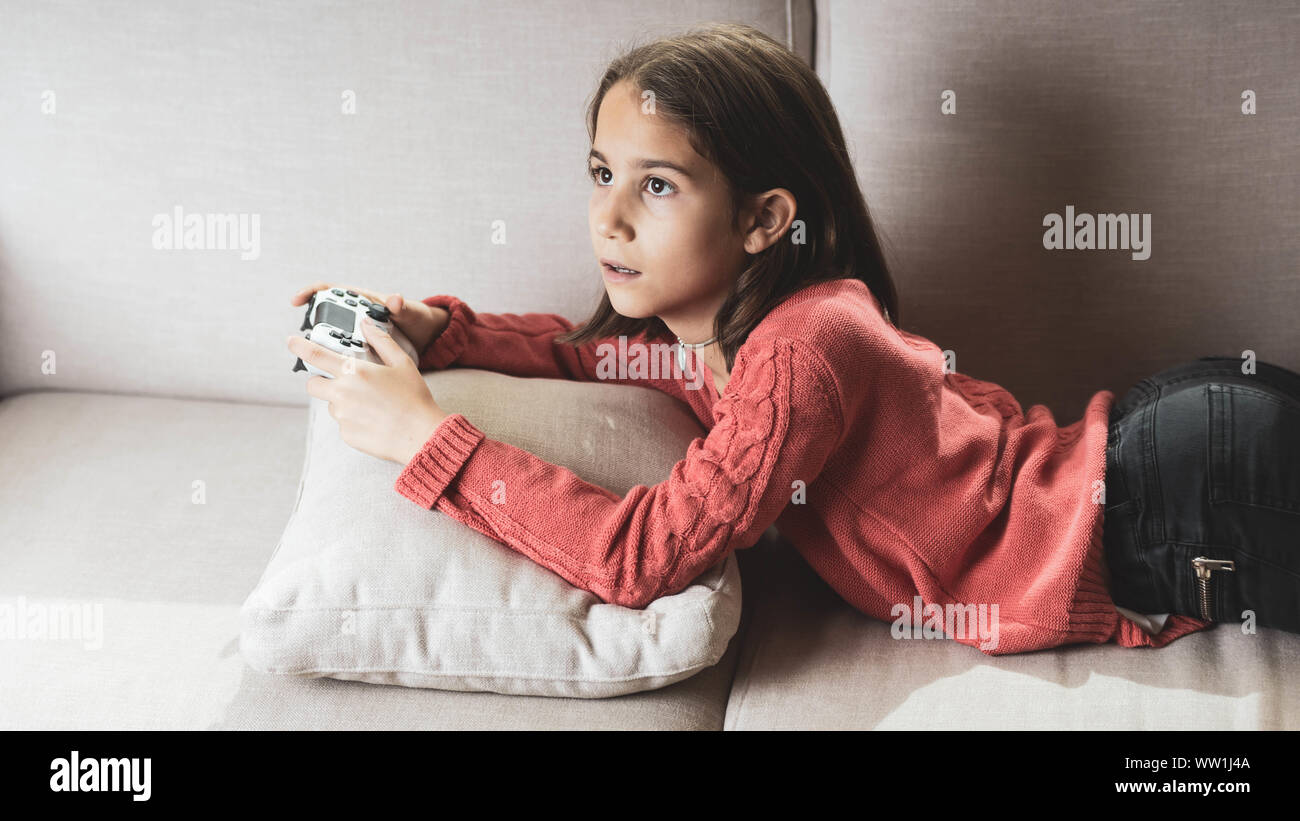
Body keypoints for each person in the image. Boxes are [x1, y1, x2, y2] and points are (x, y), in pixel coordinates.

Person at [286, 23, 1300, 655]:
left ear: (766, 219)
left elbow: (644, 553)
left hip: (1174, 498)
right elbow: (575, 351)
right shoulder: (704, 336)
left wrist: (427, 438)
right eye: (602, 172)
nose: (610, 219)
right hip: (1165, 458)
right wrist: (436, 327)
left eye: (657, 186)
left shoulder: (802, 348)